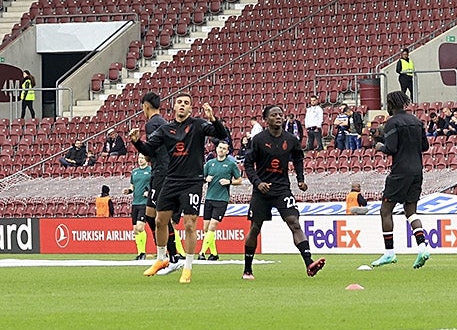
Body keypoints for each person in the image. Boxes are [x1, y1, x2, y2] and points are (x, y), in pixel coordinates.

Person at [132, 94, 229, 283]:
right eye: (179, 103)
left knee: (190, 224)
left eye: (186, 103)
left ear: (191, 108)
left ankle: (188, 266)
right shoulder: (165, 129)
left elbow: (221, 134)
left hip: (192, 181)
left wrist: (213, 119)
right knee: (159, 220)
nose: (182, 105)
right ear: (174, 107)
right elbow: (150, 150)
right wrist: (136, 142)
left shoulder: (199, 125)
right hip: (171, 180)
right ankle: (161, 259)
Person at [240, 104, 325, 280]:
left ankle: (309, 263)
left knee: (294, 222)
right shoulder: (258, 140)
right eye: (274, 115)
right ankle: (247, 269)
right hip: (262, 191)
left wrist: (300, 179)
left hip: (282, 189)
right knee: (255, 228)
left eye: (280, 114)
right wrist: (257, 183)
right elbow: (248, 164)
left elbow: (298, 159)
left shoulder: (291, 139)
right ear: (266, 119)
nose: (278, 117)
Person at [369, 90, 432, 269]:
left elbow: (392, 148)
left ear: (390, 105)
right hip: (417, 171)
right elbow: (425, 146)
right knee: (411, 212)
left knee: (385, 210)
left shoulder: (392, 123)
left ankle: (389, 252)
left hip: (400, 172)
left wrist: (380, 146)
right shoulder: (416, 121)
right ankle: (422, 248)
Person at [197, 140, 242, 260]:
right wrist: (206, 179)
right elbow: (201, 177)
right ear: (216, 149)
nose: (221, 150)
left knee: (212, 226)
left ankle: (201, 252)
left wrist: (230, 181)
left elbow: (239, 180)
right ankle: (214, 253)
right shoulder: (210, 163)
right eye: (220, 147)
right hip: (209, 198)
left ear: (227, 151)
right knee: (205, 228)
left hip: (222, 199)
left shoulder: (231, 165)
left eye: (224, 148)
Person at [129, 153, 153, 259]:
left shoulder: (150, 171)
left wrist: (149, 192)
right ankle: (140, 253)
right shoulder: (134, 172)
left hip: (144, 203)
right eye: (139, 158)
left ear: (146, 159)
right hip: (135, 203)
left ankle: (143, 253)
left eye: (142, 158)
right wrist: (128, 190)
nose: (140, 160)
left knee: (140, 227)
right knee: (135, 229)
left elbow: (155, 184)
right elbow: (132, 186)